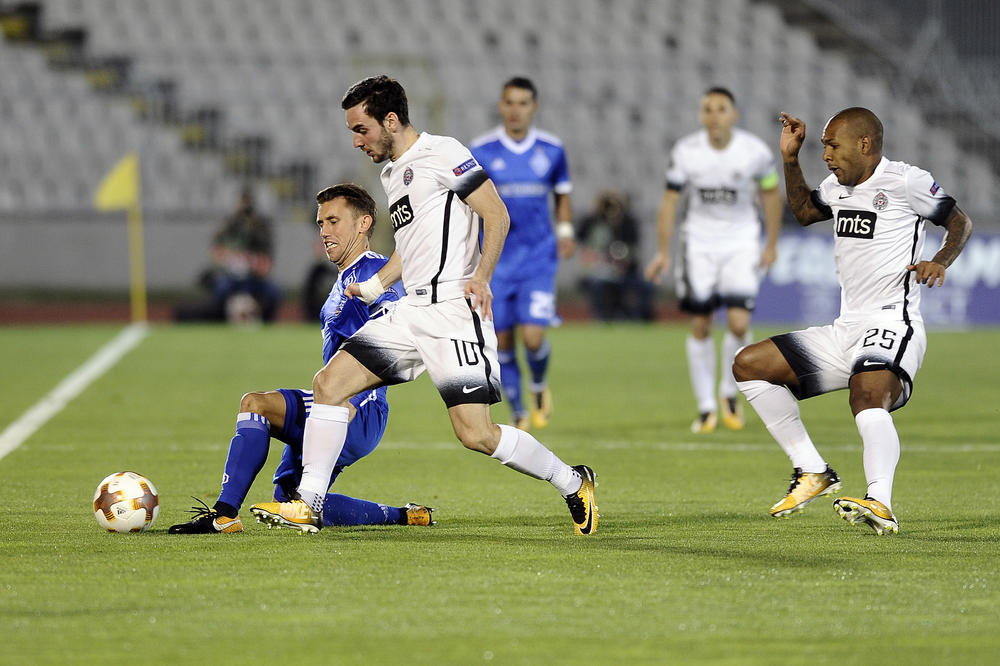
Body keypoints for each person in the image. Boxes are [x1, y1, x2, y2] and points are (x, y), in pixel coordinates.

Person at [250, 75, 597, 535]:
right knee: (329, 383)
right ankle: (308, 502)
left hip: (454, 311)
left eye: (361, 129)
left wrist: (482, 276)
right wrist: (376, 287)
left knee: (476, 433)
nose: (356, 141)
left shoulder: (443, 153)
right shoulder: (393, 173)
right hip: (411, 312)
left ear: (390, 120)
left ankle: (573, 482)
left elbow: (497, 214)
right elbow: (410, 249)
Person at [733, 108, 972, 535]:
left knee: (867, 394)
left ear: (864, 144)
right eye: (823, 146)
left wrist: (939, 260)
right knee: (748, 364)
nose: (825, 155)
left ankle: (880, 501)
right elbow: (806, 212)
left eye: (832, 145)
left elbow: (959, 222)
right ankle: (811, 470)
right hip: (846, 327)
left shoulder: (906, 181)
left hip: (893, 322)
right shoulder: (837, 187)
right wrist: (790, 159)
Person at [169, 183, 433, 534]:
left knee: (256, 405)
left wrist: (355, 397)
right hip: (340, 404)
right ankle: (407, 515)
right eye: (321, 223)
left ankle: (223, 515)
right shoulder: (345, 278)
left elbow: (400, 329)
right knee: (291, 499)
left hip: (358, 408)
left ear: (364, 223)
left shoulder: (374, 271)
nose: (324, 231)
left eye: (334, 221)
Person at [645, 87, 782, 433]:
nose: (715, 115)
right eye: (708, 109)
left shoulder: (754, 153)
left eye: (721, 109)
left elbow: (770, 195)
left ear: (734, 115)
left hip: (741, 241)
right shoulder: (687, 152)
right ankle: (706, 406)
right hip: (699, 244)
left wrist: (771, 243)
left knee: (738, 324)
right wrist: (663, 251)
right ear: (701, 115)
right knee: (702, 324)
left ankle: (728, 393)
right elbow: (670, 202)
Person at [468, 77, 575, 430]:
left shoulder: (552, 150)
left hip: (538, 257)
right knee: (502, 339)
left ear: (534, 107)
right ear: (501, 106)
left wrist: (565, 231)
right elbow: (469, 204)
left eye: (523, 103)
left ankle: (539, 384)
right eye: (510, 103)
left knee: (533, 336)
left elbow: (561, 195)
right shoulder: (481, 150)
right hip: (497, 259)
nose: (516, 110)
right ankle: (517, 411)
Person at [174, 187, 281, 323]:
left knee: (273, 292)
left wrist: (256, 263)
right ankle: (221, 320)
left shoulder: (261, 228)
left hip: (254, 277)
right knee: (221, 290)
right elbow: (216, 249)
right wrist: (229, 258)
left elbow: (267, 258)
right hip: (232, 276)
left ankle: (267, 322)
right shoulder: (229, 224)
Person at [576, 189, 653, 321]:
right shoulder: (592, 222)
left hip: (625, 272)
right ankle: (601, 318)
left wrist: (623, 262)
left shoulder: (628, 223)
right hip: (599, 272)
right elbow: (582, 243)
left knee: (646, 287)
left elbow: (632, 251)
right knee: (598, 287)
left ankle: (636, 319)